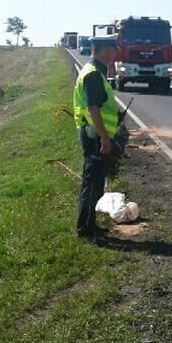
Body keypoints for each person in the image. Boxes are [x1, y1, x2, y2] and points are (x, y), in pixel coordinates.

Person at [72, 38, 119, 238]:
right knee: (92, 186)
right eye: (105, 50)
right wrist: (105, 139)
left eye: (112, 50)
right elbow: (93, 109)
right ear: (95, 51)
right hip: (95, 136)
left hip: (93, 134)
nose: (110, 54)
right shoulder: (93, 75)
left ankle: (90, 225)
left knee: (94, 184)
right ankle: (85, 229)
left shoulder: (96, 71)